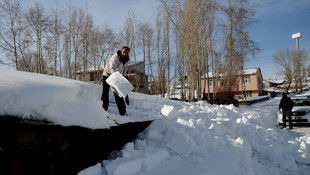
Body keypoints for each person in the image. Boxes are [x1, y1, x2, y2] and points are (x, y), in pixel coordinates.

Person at [101, 46, 131, 116]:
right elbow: (112, 68)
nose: (125, 54)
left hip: (117, 77)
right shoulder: (115, 57)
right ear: (121, 51)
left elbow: (124, 71)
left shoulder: (127, 60)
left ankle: (123, 112)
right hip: (107, 75)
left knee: (118, 94)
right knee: (105, 93)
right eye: (124, 52)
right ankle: (103, 111)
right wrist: (116, 78)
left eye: (126, 53)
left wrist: (122, 80)